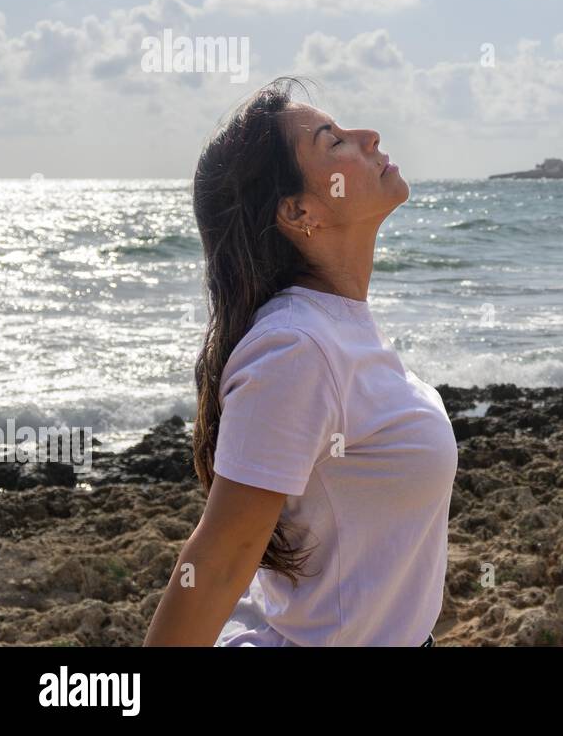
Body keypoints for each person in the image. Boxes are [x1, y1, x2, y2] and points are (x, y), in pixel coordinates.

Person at [144, 78, 457, 646]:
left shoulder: (335, 325)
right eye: (333, 141)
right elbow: (218, 561)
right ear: (300, 211)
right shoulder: (295, 348)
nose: (368, 136)